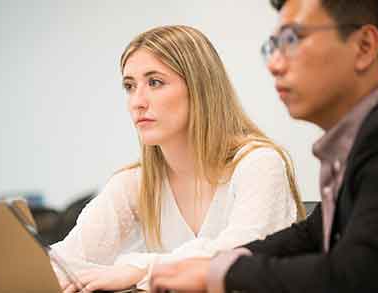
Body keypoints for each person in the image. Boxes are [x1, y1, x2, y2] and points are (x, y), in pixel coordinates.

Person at [150, 1, 378, 292]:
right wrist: (217, 263)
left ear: (364, 46)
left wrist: (223, 274)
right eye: (273, 45)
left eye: (292, 39)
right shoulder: (366, 138)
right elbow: (311, 234)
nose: (274, 64)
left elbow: (354, 274)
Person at [51, 25, 306, 292]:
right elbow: (65, 262)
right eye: (129, 86)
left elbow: (237, 254)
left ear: (200, 88)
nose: (137, 101)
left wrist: (138, 268)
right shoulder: (133, 183)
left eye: (155, 82)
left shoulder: (259, 164)